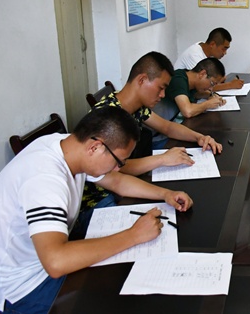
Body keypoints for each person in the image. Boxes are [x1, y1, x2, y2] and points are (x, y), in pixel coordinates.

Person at [0, 107, 194, 314]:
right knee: (115, 304)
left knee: (124, 275)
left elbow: (117, 182)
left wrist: (165, 194)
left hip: (43, 259)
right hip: (23, 288)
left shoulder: (68, 146)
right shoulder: (44, 178)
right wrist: (134, 235)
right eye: (118, 161)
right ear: (96, 147)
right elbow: (56, 262)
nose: (118, 168)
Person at [80, 52, 221, 228]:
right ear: (142, 80)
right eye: (161, 88)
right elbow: (117, 169)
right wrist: (162, 159)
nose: (163, 95)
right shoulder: (107, 117)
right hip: (97, 200)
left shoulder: (134, 106)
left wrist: (199, 137)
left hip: (120, 186)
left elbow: (167, 127)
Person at [154, 57, 228, 121]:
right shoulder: (178, 80)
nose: (211, 88)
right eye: (212, 83)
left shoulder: (190, 79)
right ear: (202, 74)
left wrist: (211, 95)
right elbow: (187, 111)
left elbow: (195, 94)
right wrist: (208, 104)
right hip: (161, 127)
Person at [174, 27, 243, 92]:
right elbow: (205, 86)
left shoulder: (203, 48)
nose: (225, 53)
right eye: (223, 49)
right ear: (212, 44)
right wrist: (230, 85)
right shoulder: (194, 55)